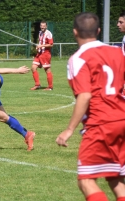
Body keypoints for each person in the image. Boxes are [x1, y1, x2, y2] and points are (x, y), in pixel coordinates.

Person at [56, 12, 125, 201]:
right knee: (115, 177)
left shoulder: (78, 58)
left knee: (86, 181)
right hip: (122, 120)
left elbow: (85, 95)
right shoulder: (118, 52)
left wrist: (69, 129)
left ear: (74, 32)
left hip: (101, 122)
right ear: (99, 31)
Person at [30, 20, 54, 91]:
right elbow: (40, 42)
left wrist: (42, 46)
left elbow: (51, 44)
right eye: (41, 26)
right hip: (39, 54)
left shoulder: (48, 34)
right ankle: (37, 85)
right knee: (33, 67)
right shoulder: (40, 33)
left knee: (47, 70)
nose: (42, 27)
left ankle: (50, 87)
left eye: (44, 26)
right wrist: (38, 46)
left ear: (46, 26)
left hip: (45, 54)